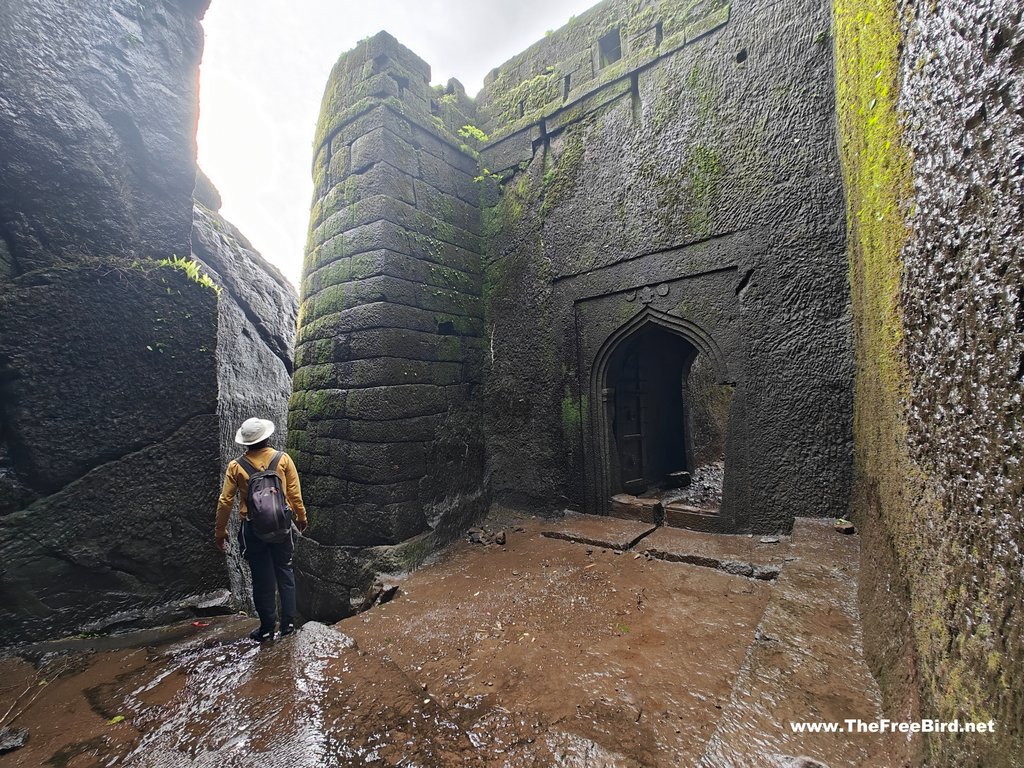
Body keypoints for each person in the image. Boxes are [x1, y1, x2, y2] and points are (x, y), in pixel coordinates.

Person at [215, 417, 308, 641]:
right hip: (281, 524)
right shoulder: (283, 459)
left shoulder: (236, 466)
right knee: (285, 572)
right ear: (267, 437)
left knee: (261, 577)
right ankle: (288, 626)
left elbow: (225, 501)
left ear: (245, 443)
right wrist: (301, 517)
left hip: (252, 528)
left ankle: (266, 627)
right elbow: (294, 494)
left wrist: (220, 531)